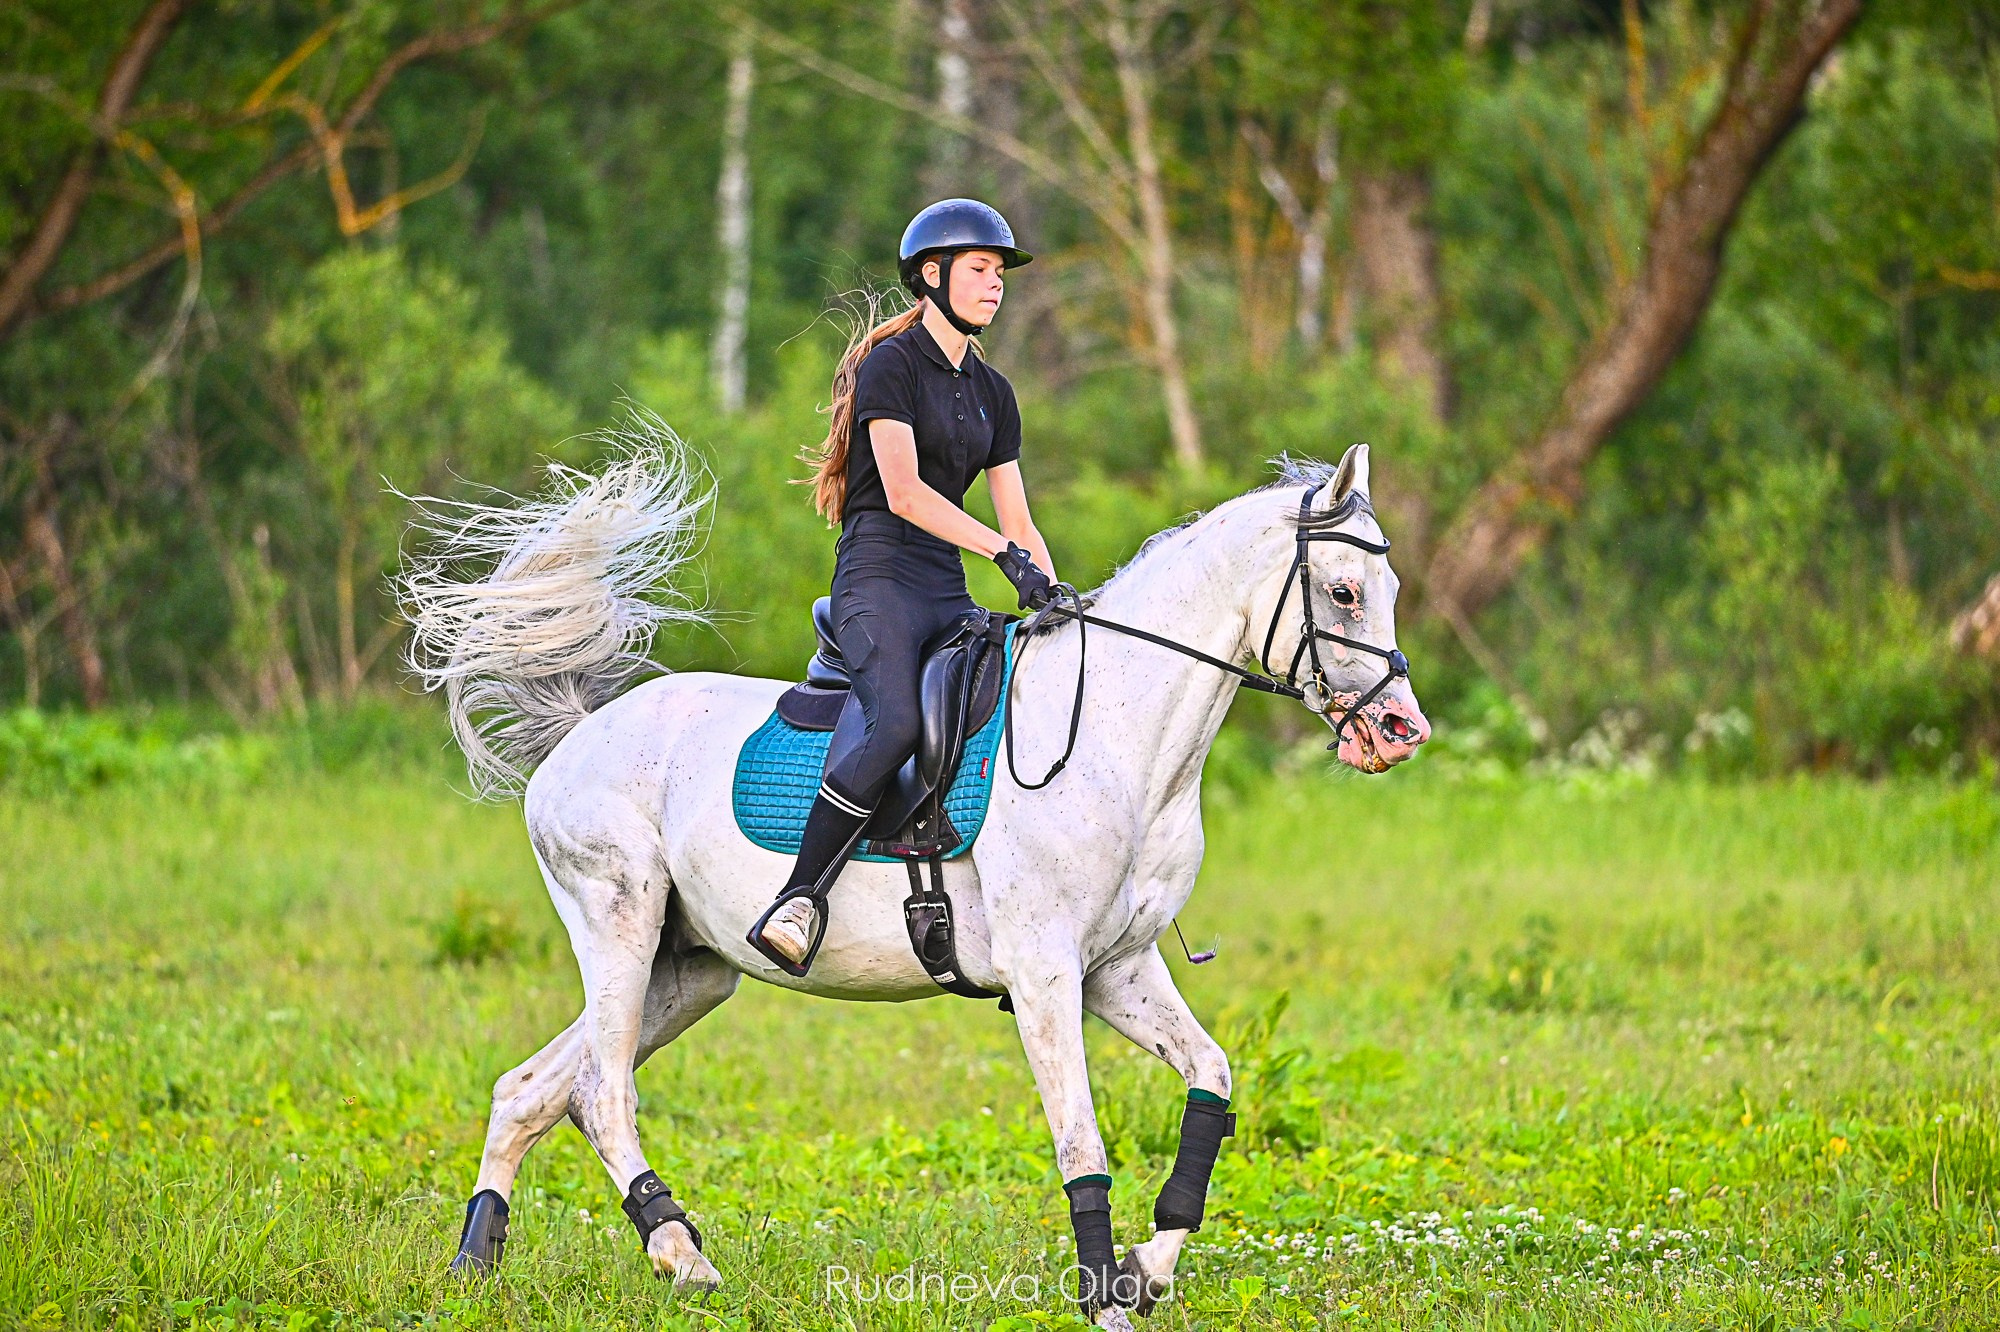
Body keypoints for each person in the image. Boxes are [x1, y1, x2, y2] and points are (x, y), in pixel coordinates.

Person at [748, 198, 1058, 974]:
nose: (995, 284)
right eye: (980, 269)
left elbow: (1020, 520)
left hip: (944, 589)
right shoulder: (890, 367)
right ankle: (799, 897)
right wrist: (1002, 554)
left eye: (1000, 273)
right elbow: (907, 494)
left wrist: (1055, 590)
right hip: (877, 579)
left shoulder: (995, 392)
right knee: (892, 726)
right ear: (933, 274)